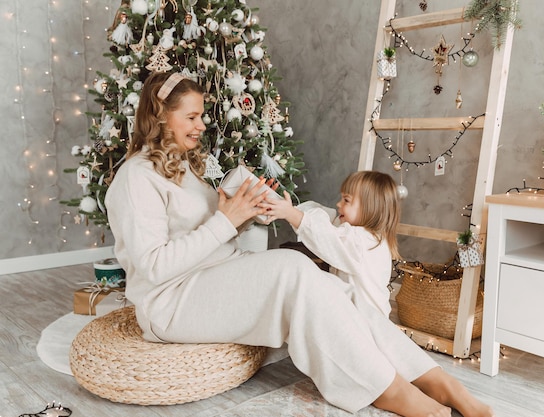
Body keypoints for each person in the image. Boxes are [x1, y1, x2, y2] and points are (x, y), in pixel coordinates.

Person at [104, 71, 494, 417]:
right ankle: (388, 389)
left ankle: (442, 383)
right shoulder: (135, 179)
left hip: (211, 276)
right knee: (292, 269)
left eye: (201, 115)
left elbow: (207, 236)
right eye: (191, 117)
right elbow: (153, 266)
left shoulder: (184, 168)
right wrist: (225, 220)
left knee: (338, 289)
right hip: (171, 301)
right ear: (159, 117)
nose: (202, 124)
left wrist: (241, 212)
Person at [261, 170, 400, 318]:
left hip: (365, 322)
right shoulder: (369, 238)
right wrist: (290, 209)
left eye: (346, 200)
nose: (338, 204)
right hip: (359, 318)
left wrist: (291, 214)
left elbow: (325, 235)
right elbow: (323, 216)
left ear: (369, 207)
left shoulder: (361, 241)